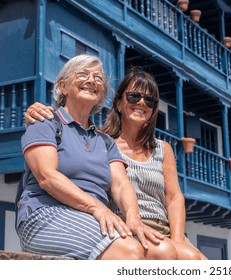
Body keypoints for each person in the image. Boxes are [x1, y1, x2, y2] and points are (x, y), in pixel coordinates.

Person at [24, 67, 207, 260]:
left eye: (150, 101)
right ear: (119, 103)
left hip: (164, 227)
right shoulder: (102, 142)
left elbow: (174, 197)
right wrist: (34, 112)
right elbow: (71, 146)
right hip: (125, 223)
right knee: (182, 258)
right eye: (134, 97)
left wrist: (178, 238)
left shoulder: (163, 148)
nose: (142, 103)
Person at [17, 54, 163, 260]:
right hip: (45, 213)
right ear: (63, 86)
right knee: (129, 252)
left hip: (92, 217)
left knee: (160, 253)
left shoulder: (105, 141)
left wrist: (133, 218)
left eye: (98, 78)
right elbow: (47, 177)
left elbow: (121, 185)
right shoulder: (45, 122)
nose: (92, 80)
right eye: (83, 74)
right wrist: (97, 207)